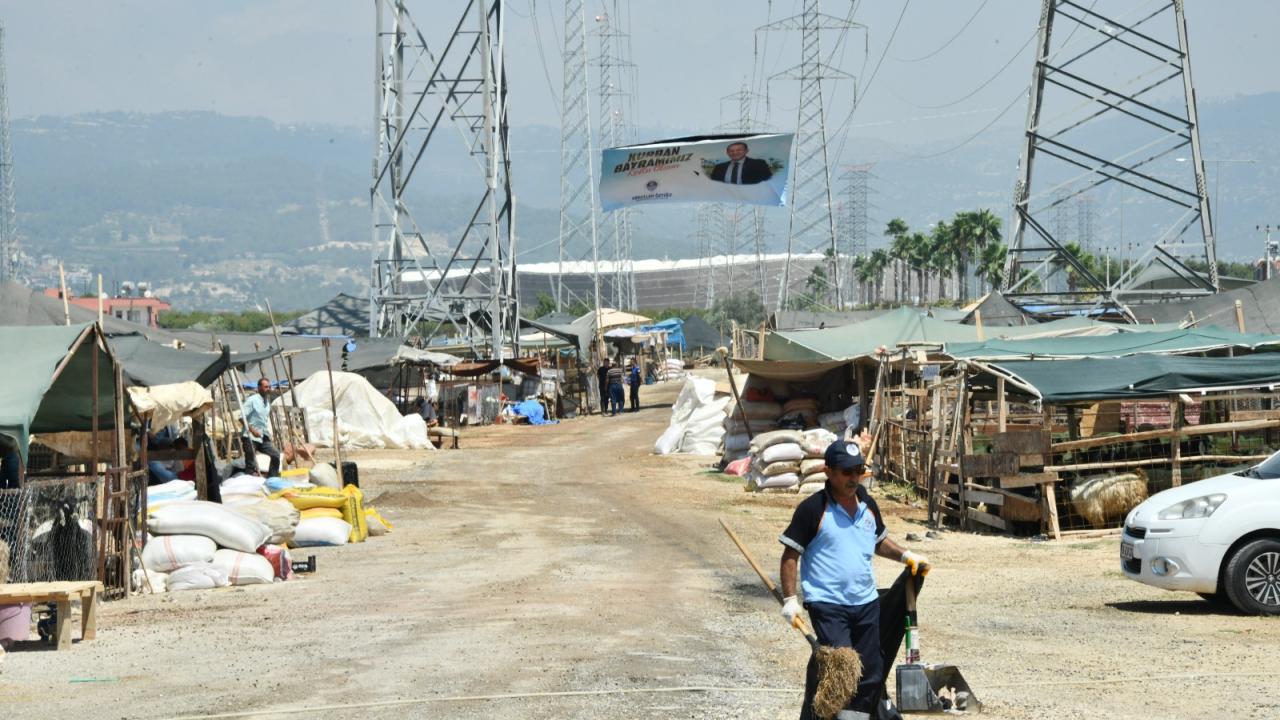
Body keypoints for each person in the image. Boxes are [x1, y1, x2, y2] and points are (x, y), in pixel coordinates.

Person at [779, 438, 931, 719]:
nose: (853, 478)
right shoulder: (813, 509)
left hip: (866, 602)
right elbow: (791, 555)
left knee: (871, 670)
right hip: (827, 604)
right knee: (842, 668)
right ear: (829, 472)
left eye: (858, 470)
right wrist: (790, 600)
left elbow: (878, 541)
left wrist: (906, 556)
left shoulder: (867, 503)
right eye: (846, 472)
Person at [243, 377, 281, 478]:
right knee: (251, 463)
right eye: (265, 387)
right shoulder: (252, 400)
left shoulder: (267, 403)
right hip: (250, 435)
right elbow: (241, 417)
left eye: (269, 387)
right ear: (259, 387)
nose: (268, 389)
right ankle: (249, 481)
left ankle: (273, 477)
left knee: (275, 454)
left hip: (262, 435)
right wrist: (253, 431)